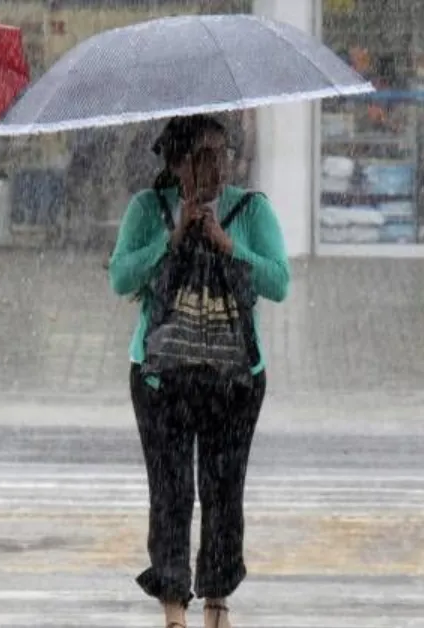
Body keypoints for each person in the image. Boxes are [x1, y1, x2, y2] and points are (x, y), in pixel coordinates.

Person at [107, 114, 290, 628]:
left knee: (223, 490)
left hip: (234, 378)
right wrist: (171, 237)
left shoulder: (251, 209)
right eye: (204, 156)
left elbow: (279, 282)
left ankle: (217, 600)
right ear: (176, 162)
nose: (217, 166)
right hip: (160, 376)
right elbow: (120, 277)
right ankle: (173, 604)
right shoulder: (148, 209)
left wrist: (228, 244)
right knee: (170, 492)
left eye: (223, 154)